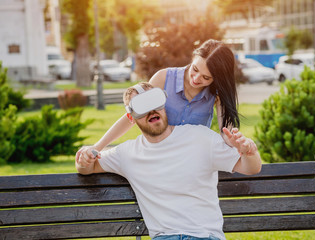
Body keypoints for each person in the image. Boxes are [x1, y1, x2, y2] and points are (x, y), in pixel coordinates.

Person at [76, 82, 261, 240]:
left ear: (164, 104)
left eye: (155, 103)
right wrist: (83, 158)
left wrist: (249, 152)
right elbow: (87, 167)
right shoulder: (126, 153)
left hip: (205, 235)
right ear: (131, 118)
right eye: (142, 108)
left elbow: (251, 168)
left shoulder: (200, 137)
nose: (151, 111)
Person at [76, 39, 239, 158]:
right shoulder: (164, 78)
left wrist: (233, 140)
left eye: (206, 77)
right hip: (158, 158)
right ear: (193, 59)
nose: (196, 79)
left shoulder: (217, 94)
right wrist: (98, 146)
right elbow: (133, 116)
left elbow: (226, 133)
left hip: (192, 162)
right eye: (194, 69)